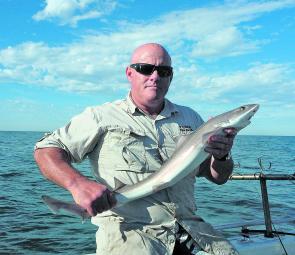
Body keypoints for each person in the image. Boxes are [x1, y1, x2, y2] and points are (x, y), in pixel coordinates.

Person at [34, 43, 239, 255]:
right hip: (132, 232)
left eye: (164, 71)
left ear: (171, 77)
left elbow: (218, 177)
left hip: (191, 230)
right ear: (129, 73)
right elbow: (46, 149)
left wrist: (222, 156)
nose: (155, 76)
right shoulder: (101, 116)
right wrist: (78, 184)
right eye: (145, 68)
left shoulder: (191, 118)